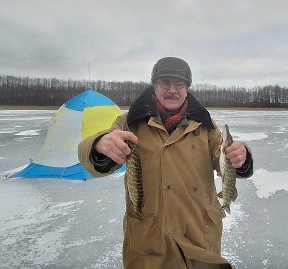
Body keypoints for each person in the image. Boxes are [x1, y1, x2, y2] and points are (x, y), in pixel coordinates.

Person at [78, 57, 253, 269]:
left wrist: (241, 157)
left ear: (187, 88)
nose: (172, 90)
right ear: (154, 85)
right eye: (164, 83)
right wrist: (99, 146)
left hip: (199, 234)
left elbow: (223, 159)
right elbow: (96, 163)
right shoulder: (129, 122)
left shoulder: (206, 125)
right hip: (150, 238)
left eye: (179, 84)